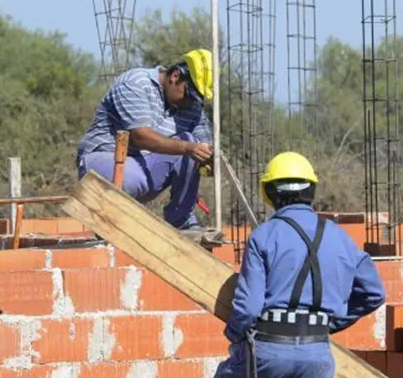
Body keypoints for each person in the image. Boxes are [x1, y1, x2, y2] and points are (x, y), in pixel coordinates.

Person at [215, 151, 386, 378]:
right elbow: (374, 293)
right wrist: (329, 324)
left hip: (268, 351)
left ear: (269, 192)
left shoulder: (263, 236)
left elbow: (249, 307)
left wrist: (235, 333)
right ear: (311, 191)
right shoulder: (341, 238)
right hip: (317, 353)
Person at [76, 49, 214, 230]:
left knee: (192, 144)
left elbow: (205, 148)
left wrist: (208, 161)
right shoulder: (135, 83)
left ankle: (181, 220)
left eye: (197, 99)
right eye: (189, 94)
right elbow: (141, 137)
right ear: (175, 76)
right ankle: (119, 220)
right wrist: (190, 148)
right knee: (188, 146)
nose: (190, 102)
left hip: (142, 172)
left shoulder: (192, 108)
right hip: (104, 160)